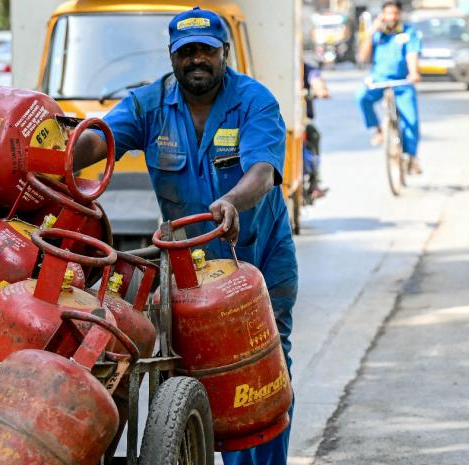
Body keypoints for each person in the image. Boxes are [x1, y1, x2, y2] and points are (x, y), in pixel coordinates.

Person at [72, 7, 297, 464]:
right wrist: (57, 163)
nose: (197, 60)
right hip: (188, 271)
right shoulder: (149, 105)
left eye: (206, 51)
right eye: (187, 52)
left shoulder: (254, 101)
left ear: (224, 52)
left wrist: (232, 200)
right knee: (197, 369)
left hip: (257, 261)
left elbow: (263, 170)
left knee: (257, 372)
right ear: (173, 56)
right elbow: (99, 143)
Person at [356, 0, 422, 174]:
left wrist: (414, 73)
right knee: (361, 97)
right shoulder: (378, 34)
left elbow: (412, 54)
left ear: (399, 15)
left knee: (411, 120)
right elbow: (362, 57)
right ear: (383, 15)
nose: (392, 17)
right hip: (379, 80)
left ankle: (411, 156)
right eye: (388, 13)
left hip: (402, 82)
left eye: (395, 13)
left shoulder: (408, 32)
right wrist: (370, 33)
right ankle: (376, 129)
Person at [303, 61, 330, 201]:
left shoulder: (305, 68)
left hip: (301, 120)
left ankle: (314, 181)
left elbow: (316, 79)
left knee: (314, 135)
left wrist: (321, 90)